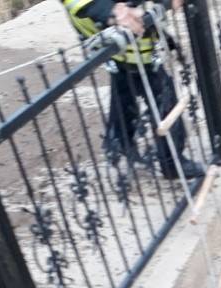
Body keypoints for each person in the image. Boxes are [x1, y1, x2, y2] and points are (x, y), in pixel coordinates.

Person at [60, 0, 204, 180]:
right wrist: (110, 10)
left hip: (118, 32)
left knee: (125, 84)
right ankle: (172, 163)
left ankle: (119, 140)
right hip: (116, 29)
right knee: (162, 92)